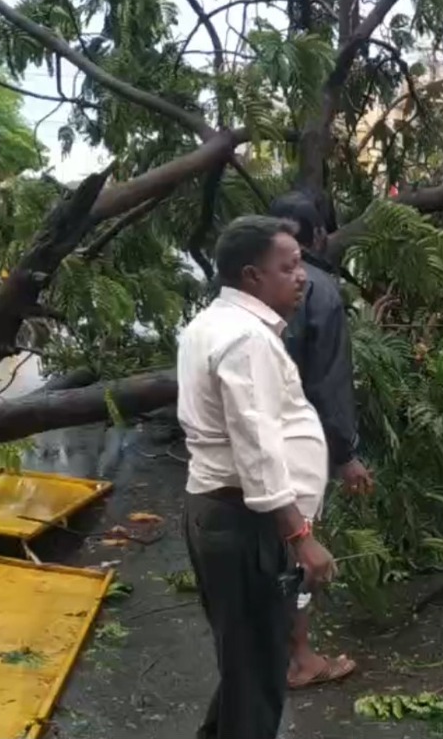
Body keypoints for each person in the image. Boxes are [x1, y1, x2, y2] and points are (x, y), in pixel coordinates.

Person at [176, 216, 337, 739]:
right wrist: (301, 536)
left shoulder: (211, 324)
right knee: (260, 674)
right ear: (251, 275)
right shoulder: (247, 339)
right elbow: (258, 447)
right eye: (287, 267)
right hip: (245, 521)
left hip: (221, 512)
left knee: (245, 664)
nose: (302, 277)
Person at [269, 190, 370, 689]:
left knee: (271, 547)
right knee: (302, 551)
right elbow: (329, 381)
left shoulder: (249, 285)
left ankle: (272, 646)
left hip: (256, 440)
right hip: (299, 443)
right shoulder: (322, 289)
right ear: (320, 238)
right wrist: (346, 454)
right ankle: (301, 659)